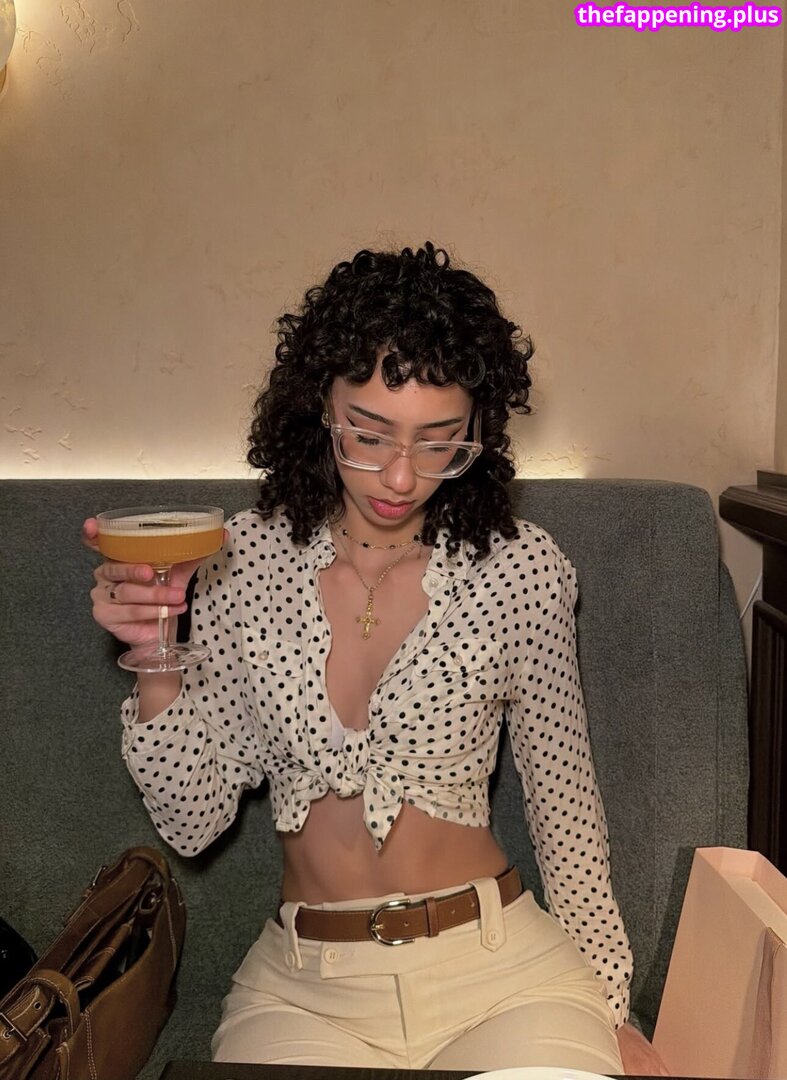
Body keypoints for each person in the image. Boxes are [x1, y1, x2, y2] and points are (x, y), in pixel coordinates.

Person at [86, 242, 652, 1073]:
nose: (399, 476)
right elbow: (193, 820)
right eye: (369, 434)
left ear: (478, 432)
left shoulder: (520, 568)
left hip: (506, 979)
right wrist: (155, 655)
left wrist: (612, 1007)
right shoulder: (241, 560)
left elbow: (565, 808)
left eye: (438, 441)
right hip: (304, 991)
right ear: (319, 406)